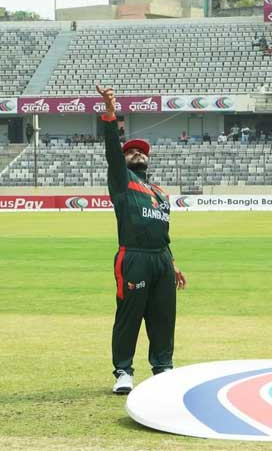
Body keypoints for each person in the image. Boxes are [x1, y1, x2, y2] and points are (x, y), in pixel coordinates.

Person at [96, 85, 187, 395]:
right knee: (130, 316)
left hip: (160, 258)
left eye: (142, 151)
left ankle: (163, 368)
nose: (138, 153)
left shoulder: (160, 193)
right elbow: (112, 150)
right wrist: (111, 115)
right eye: (131, 151)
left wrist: (172, 262)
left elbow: (163, 231)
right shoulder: (122, 181)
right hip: (133, 257)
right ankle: (123, 371)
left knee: (163, 317)